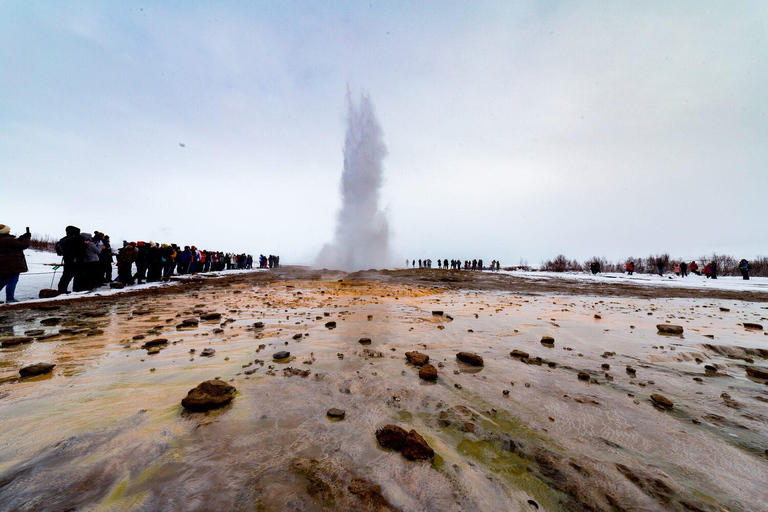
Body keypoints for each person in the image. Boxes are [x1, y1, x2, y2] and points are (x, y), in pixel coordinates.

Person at [0, 224, 31, 303]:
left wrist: (22, 237)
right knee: (12, 281)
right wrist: (27, 238)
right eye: (7, 230)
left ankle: (10, 298)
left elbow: (14, 243)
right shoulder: (7, 239)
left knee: (2, 281)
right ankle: (10, 299)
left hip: (3, 265)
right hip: (11, 265)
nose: (9, 231)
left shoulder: (4, 239)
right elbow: (23, 245)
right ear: (3, 231)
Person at [56, 225, 84, 293]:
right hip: (76, 259)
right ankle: (77, 289)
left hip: (67, 259)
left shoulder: (65, 239)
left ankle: (62, 289)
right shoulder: (77, 238)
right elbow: (81, 248)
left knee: (66, 275)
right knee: (78, 275)